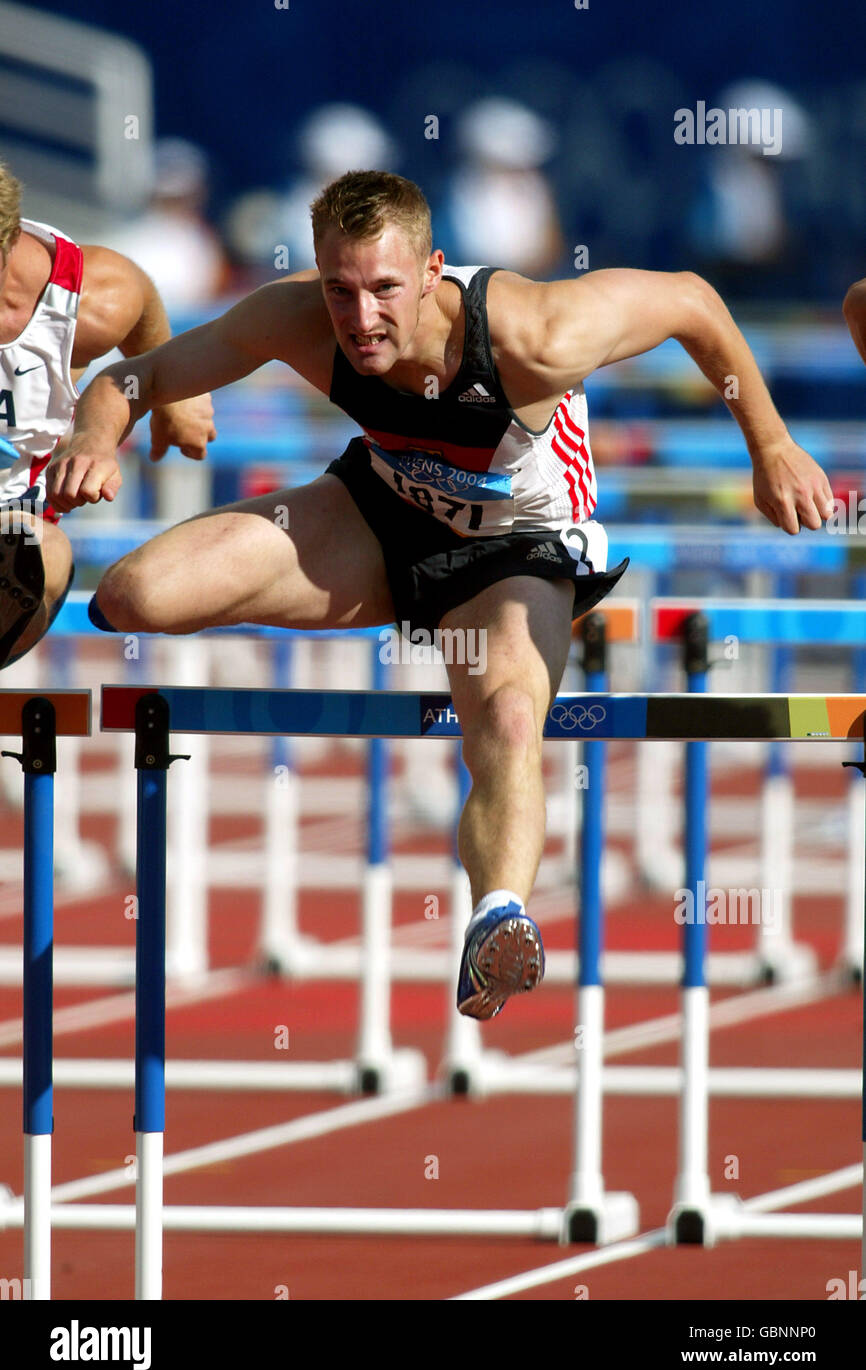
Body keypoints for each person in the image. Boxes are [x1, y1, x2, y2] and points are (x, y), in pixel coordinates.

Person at [45, 170, 834, 1021]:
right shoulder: (292, 317)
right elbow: (131, 378)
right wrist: (99, 434)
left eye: (385, 289)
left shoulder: (536, 332)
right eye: (340, 291)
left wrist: (773, 445)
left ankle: (498, 915)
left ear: (432, 272)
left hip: (515, 549)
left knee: (505, 715)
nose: (361, 319)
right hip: (382, 512)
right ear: (317, 273)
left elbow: (692, 299)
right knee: (135, 596)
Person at [0, 159, 216, 666]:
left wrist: (173, 401)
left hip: (13, 526)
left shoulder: (85, 298)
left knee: (40, 551)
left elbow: (138, 302)